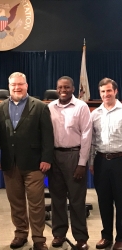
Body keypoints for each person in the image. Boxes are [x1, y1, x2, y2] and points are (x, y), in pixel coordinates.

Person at [0, 72, 54, 250]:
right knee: (16, 203)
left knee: (36, 204)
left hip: (34, 164)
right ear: (9, 86)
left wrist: (46, 158)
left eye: (20, 84)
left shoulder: (41, 107)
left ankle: (38, 239)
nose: (17, 88)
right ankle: (20, 234)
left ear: (26, 85)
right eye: (13, 85)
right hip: (10, 165)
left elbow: (48, 136)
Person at [48, 76, 92, 250]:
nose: (63, 90)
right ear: (56, 89)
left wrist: (82, 163)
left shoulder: (81, 107)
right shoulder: (50, 107)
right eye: (60, 87)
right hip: (54, 156)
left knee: (76, 200)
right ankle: (59, 234)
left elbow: (87, 136)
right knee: (57, 199)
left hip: (74, 156)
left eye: (66, 87)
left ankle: (81, 237)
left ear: (73, 88)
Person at [89, 78, 122, 250]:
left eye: (109, 91)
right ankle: (106, 236)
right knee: (104, 201)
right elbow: (92, 142)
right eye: (102, 91)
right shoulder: (94, 114)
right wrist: (91, 162)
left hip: (120, 161)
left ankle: (120, 238)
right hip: (101, 161)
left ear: (115, 91)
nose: (105, 94)